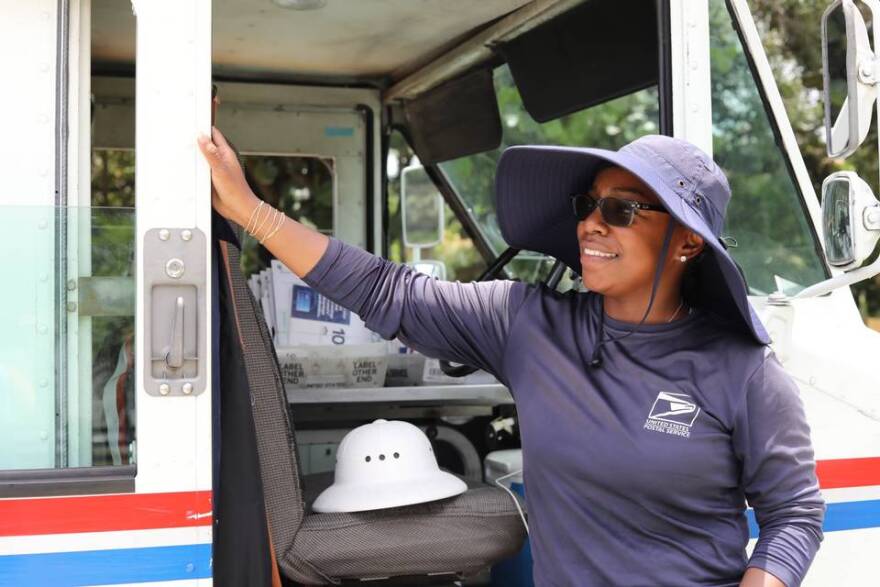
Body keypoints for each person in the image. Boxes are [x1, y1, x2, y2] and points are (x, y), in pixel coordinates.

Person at [199, 129, 825, 587]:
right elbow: (385, 290)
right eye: (589, 206)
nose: (592, 226)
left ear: (688, 242)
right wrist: (250, 211)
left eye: (622, 210)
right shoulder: (526, 323)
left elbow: (794, 514)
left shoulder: (743, 371)